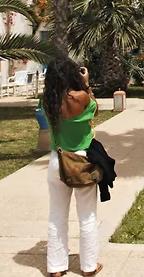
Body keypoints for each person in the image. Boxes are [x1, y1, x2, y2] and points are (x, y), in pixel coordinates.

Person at [43, 57, 103, 277]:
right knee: (87, 215)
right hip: (81, 161)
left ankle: (56, 268)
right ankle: (88, 266)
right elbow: (95, 110)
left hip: (57, 161)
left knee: (57, 215)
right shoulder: (82, 97)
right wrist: (86, 84)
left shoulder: (47, 101)